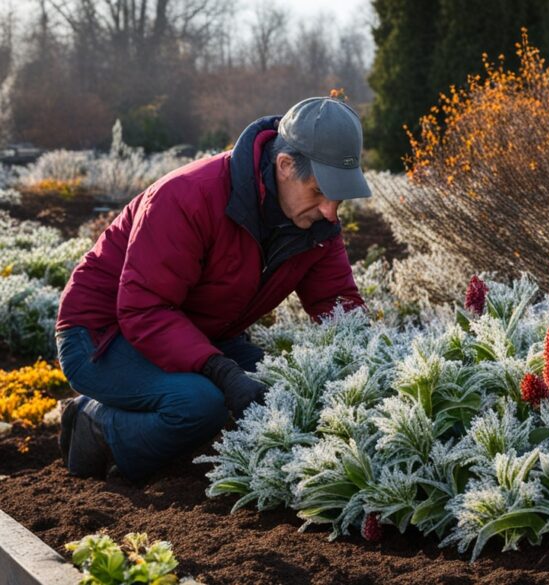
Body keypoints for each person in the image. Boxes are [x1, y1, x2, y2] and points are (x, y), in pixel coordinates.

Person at [55, 96, 370, 482]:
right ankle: (96, 425)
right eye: (320, 192)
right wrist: (220, 370)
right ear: (285, 166)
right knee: (200, 404)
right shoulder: (190, 196)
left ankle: (143, 419)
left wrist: (370, 369)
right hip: (102, 335)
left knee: (278, 389)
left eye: (339, 197)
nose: (331, 211)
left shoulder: (317, 227)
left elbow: (335, 303)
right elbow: (144, 309)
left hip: (191, 330)